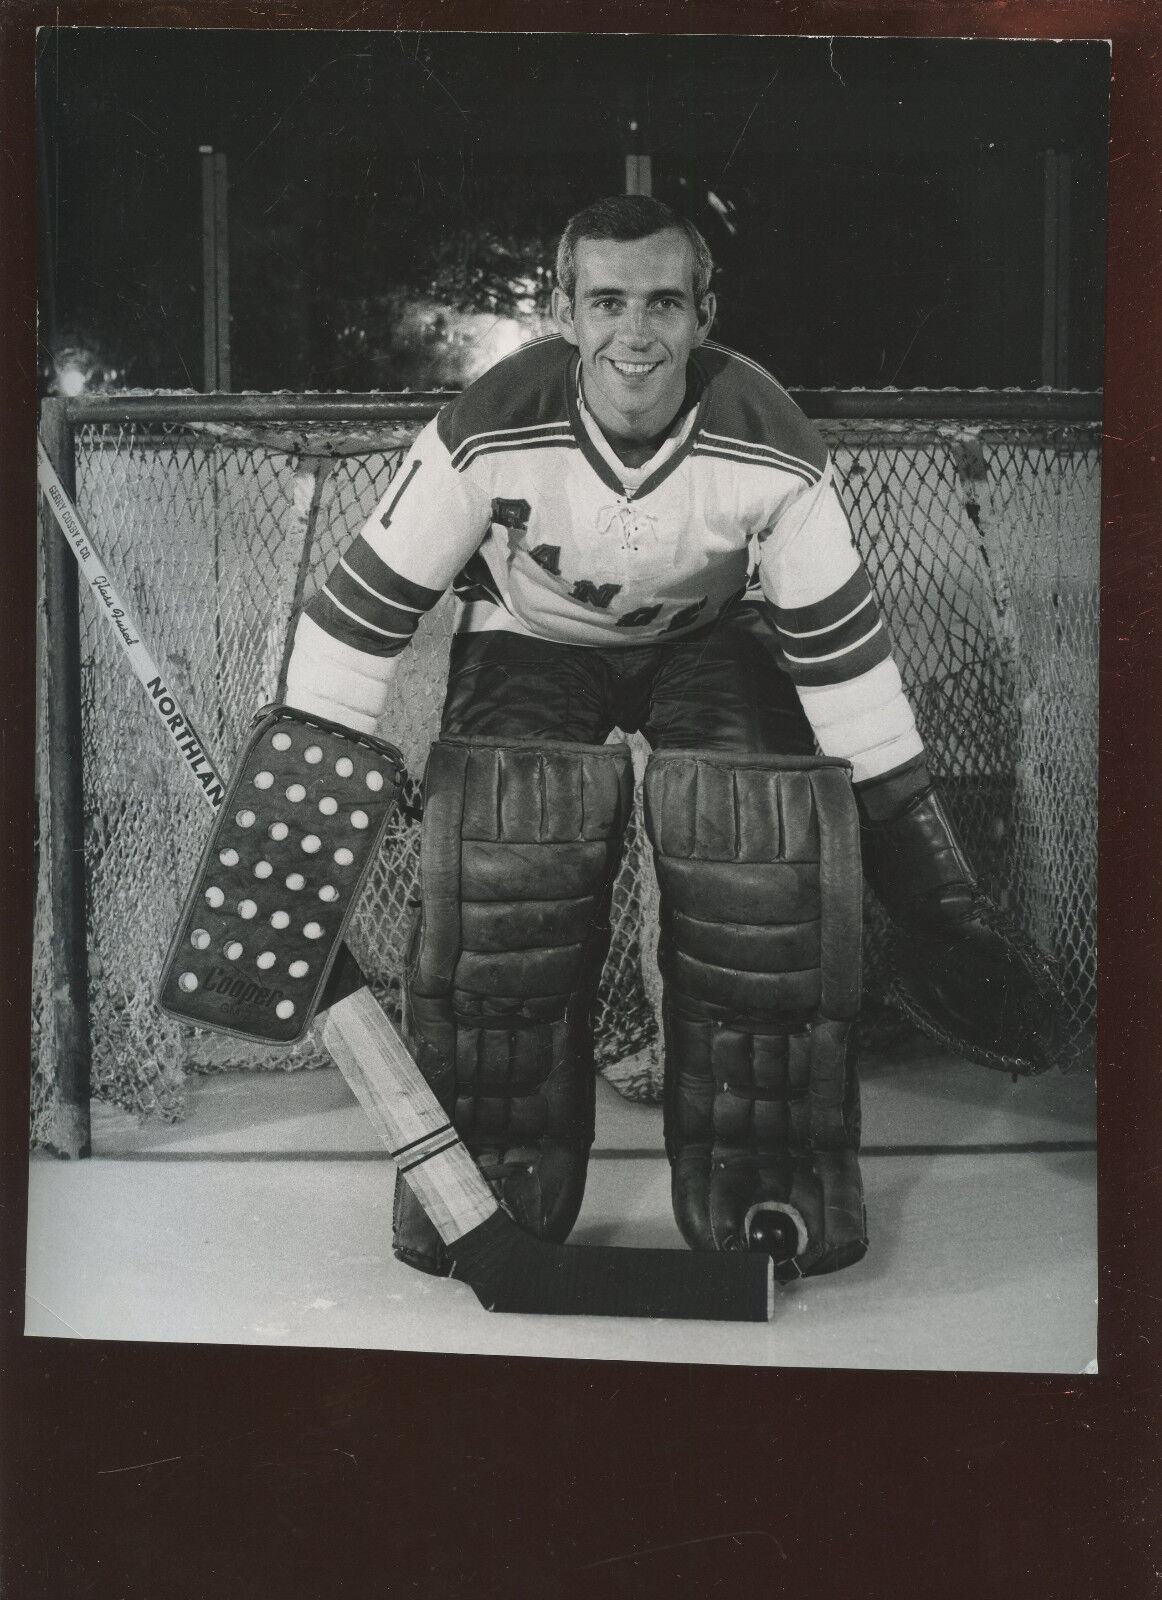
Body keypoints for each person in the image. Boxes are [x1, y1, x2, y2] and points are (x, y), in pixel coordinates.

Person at [281, 195, 1062, 1282]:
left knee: (765, 860)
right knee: (511, 860)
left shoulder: (771, 443)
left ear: (704, 313)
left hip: (709, 636)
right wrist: (295, 824)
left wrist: (931, 889)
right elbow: (356, 621)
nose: (633, 332)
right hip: (529, 637)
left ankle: (768, 1189)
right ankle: (488, 1190)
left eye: (661, 302)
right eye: (605, 302)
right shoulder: (486, 426)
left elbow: (848, 675)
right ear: (562, 311)